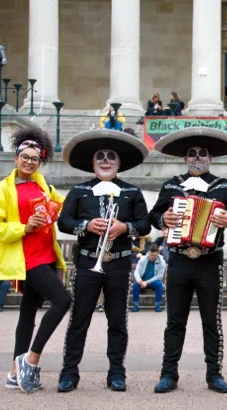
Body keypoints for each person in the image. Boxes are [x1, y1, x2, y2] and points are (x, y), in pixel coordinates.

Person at [149, 127, 227, 394]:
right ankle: (169, 374)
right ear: (184, 159)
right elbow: (153, 217)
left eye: (202, 153)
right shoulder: (172, 185)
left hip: (209, 260)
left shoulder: (224, 187)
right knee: (175, 320)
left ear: (210, 158)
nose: (197, 158)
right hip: (179, 259)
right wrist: (163, 220)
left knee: (211, 320)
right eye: (191, 154)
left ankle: (214, 374)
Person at [57, 129, 151, 393]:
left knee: (118, 320)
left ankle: (117, 373)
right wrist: (86, 225)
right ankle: (69, 373)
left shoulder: (131, 191)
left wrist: (126, 227)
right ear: (93, 162)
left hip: (119, 262)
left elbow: (144, 224)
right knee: (79, 319)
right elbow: (64, 221)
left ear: (119, 163)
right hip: (88, 261)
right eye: (101, 157)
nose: (106, 160)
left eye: (112, 157)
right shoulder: (79, 190)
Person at [0, 127, 71, 393]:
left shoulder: (43, 184)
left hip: (46, 255)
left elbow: (61, 204)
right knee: (63, 300)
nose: (30, 161)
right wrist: (23, 226)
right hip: (27, 258)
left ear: (40, 161)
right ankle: (30, 360)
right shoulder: (3, 189)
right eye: (25, 156)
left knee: (28, 313)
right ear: (16, 158)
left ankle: (13, 372)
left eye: (35, 158)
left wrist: (67, 207)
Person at [131, 243, 166, 312]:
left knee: (159, 285)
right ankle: (135, 306)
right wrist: (138, 279)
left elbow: (159, 277)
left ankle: (157, 306)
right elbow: (137, 271)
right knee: (135, 285)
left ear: (158, 253)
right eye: (150, 255)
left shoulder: (162, 262)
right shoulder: (143, 259)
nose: (152, 257)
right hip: (142, 281)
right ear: (148, 252)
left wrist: (146, 282)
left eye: (154, 255)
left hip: (153, 282)